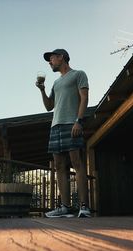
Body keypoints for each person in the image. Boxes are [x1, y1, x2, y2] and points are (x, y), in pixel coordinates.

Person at [36, 49, 91, 218]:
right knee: (59, 166)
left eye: (51, 58)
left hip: (71, 123)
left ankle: (84, 206)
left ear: (61, 57)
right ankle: (65, 207)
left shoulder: (78, 74)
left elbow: (84, 98)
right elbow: (48, 106)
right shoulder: (56, 83)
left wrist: (78, 121)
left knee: (77, 163)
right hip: (55, 126)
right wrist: (42, 90)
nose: (49, 62)